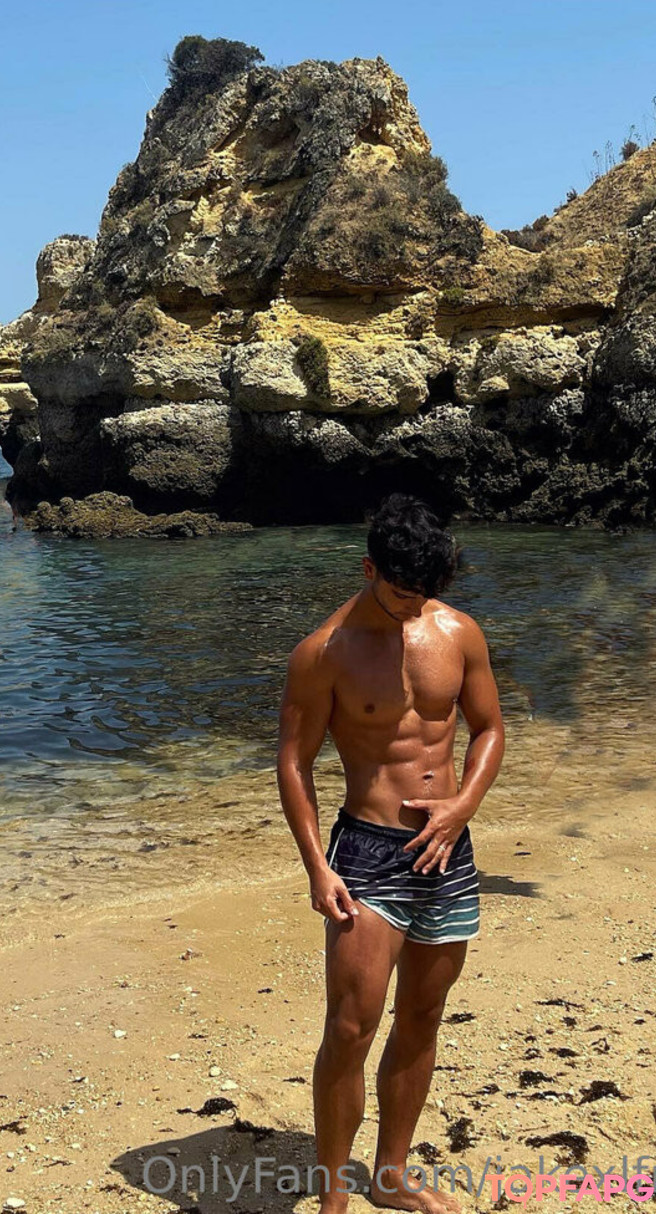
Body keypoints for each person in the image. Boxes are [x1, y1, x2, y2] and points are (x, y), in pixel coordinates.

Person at [276, 492, 505, 1214]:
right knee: (350, 1029)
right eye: (403, 593)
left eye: (424, 593)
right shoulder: (324, 652)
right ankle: (334, 1197)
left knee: (423, 1016)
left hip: (447, 851)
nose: (414, 608)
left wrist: (463, 805)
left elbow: (489, 729)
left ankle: (391, 1174)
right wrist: (317, 867)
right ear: (369, 569)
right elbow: (294, 763)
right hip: (368, 854)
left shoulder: (458, 632)